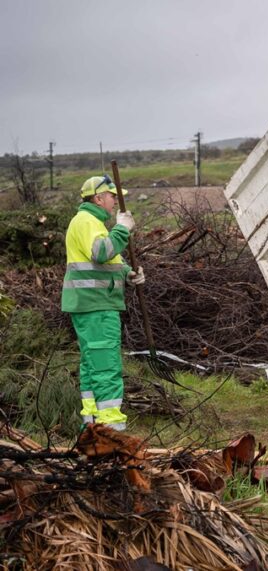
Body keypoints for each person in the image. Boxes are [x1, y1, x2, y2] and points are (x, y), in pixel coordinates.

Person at [62, 175, 145, 431]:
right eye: (112, 197)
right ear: (99, 198)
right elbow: (101, 252)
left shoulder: (91, 222)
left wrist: (128, 273)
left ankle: (92, 426)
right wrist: (122, 229)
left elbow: (106, 262)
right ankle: (112, 430)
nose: (115, 203)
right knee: (106, 365)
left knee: (91, 365)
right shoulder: (87, 221)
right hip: (96, 306)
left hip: (91, 305)